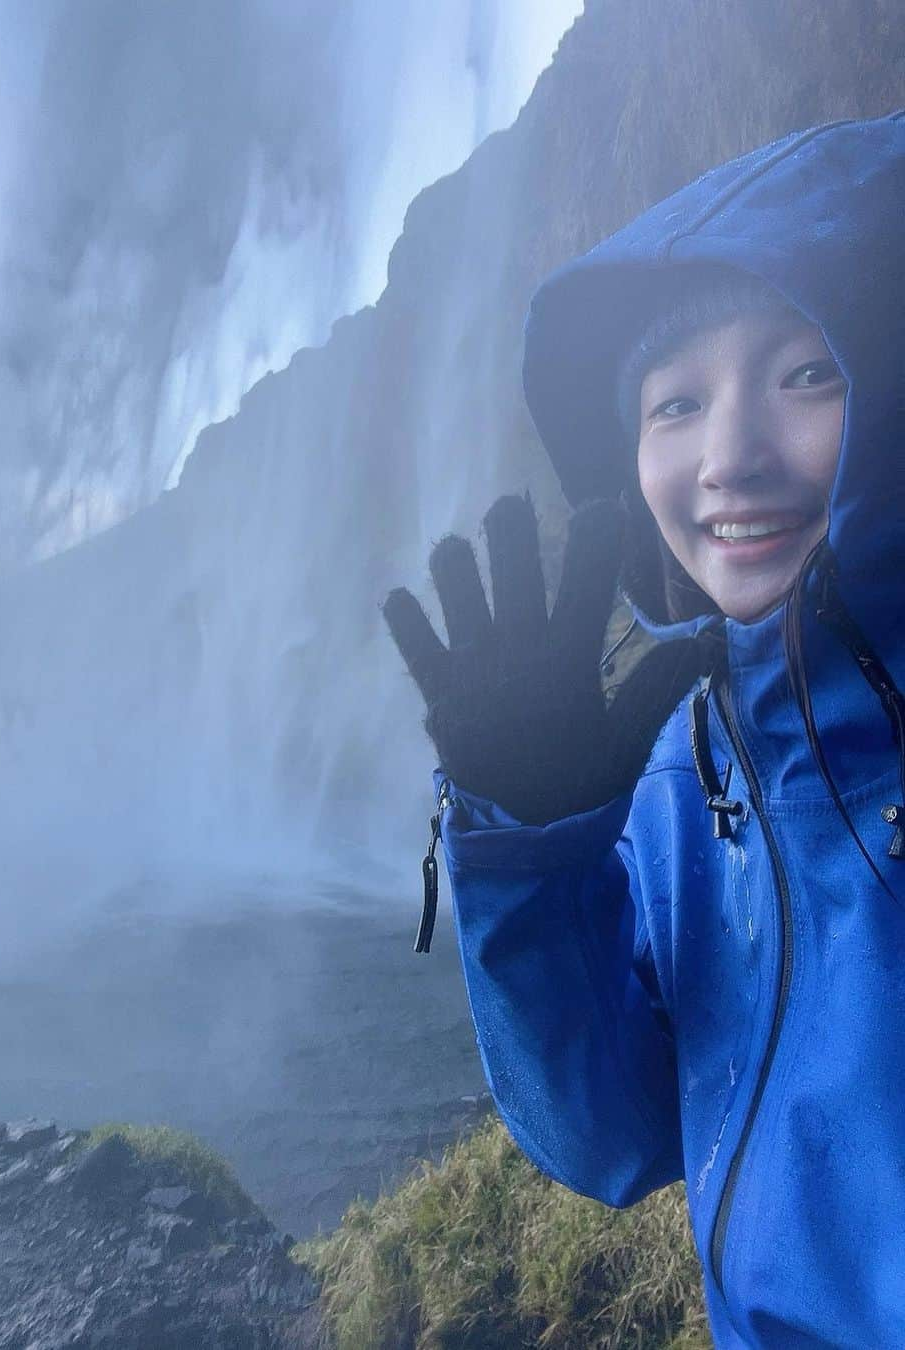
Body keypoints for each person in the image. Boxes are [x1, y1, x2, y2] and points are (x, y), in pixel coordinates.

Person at [383, 109, 905, 1347]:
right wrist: (535, 851)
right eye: (675, 403)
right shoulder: (693, 761)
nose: (730, 457)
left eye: (809, 372)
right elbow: (615, 1134)